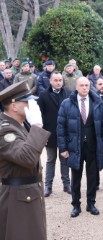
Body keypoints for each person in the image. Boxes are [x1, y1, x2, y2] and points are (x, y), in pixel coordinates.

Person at [0, 81, 51, 240]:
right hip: (17, 197)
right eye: (27, 101)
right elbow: (27, 158)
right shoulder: (6, 129)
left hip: (27, 193)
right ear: (14, 106)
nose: (33, 104)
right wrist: (37, 125)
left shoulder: (20, 126)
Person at [57, 77, 103, 217]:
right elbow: (61, 127)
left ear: (90, 86)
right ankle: (76, 205)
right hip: (75, 146)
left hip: (93, 146)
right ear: (76, 87)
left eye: (87, 85)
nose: (84, 88)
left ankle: (91, 203)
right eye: (81, 85)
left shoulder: (98, 102)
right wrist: (63, 148)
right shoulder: (66, 104)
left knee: (93, 176)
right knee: (76, 177)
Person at [38, 71, 71, 197]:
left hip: (65, 133)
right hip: (50, 133)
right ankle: (48, 186)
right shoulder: (43, 95)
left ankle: (66, 184)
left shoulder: (67, 93)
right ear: (50, 81)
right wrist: (42, 134)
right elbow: (39, 116)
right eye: (56, 80)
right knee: (51, 160)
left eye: (60, 80)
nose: (58, 82)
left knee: (65, 160)